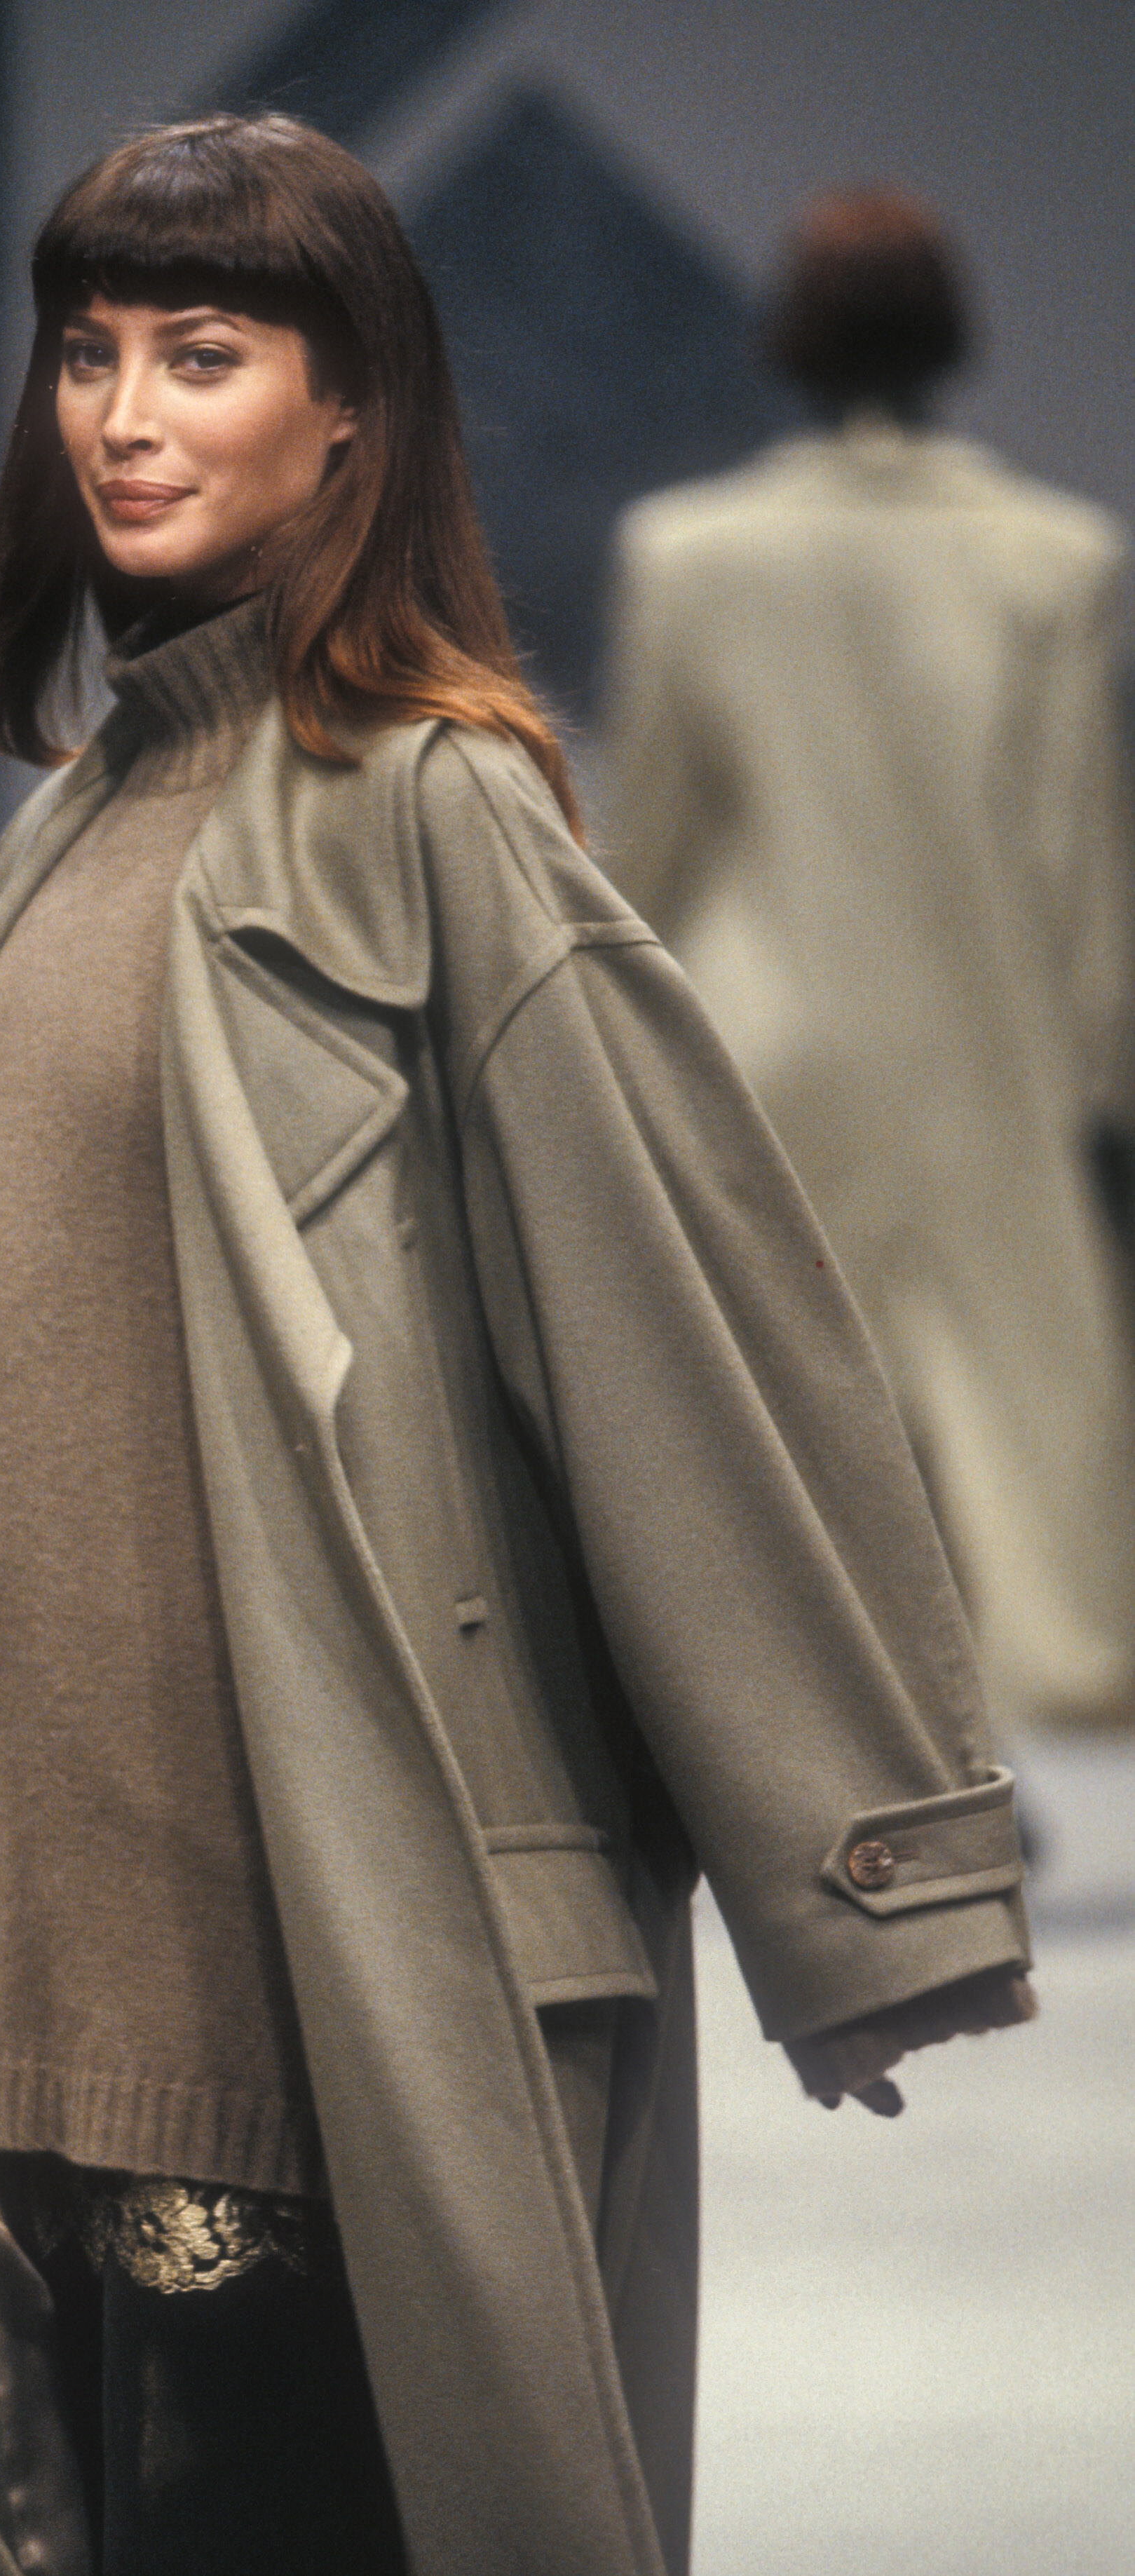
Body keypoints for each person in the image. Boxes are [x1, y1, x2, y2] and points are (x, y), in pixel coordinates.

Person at [0, 123, 1035, 2576]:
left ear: (350, 405)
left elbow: (674, 1342)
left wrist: (862, 1873)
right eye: (87, 354)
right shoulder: (74, 828)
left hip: (301, 1982)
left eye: (202, 354)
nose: (122, 415)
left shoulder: (432, 810)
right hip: (20, 1961)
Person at [603, 187, 1135, 1742]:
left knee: (782, 1434)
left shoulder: (691, 554)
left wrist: (608, 1036)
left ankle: (802, 1743)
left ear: (794, 339)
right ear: (951, 335)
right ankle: (1006, 1760)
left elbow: (654, 838)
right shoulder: (1054, 558)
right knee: (1027, 1450)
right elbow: (1081, 851)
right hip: (986, 1044)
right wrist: (1101, 1075)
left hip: (767, 1047)